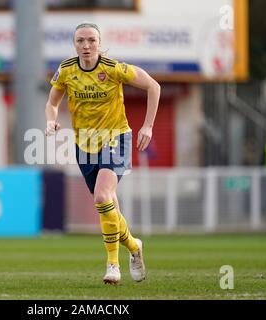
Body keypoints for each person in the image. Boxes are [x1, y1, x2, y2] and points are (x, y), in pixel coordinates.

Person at [44, 22, 161, 284]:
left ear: (99, 43)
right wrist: (50, 121)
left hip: (116, 138)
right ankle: (134, 247)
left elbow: (154, 87)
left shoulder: (114, 69)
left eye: (91, 41)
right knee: (109, 208)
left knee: (101, 196)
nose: (86, 46)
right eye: (80, 41)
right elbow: (52, 103)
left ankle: (112, 265)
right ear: (74, 44)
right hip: (84, 143)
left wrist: (148, 126)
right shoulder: (65, 71)